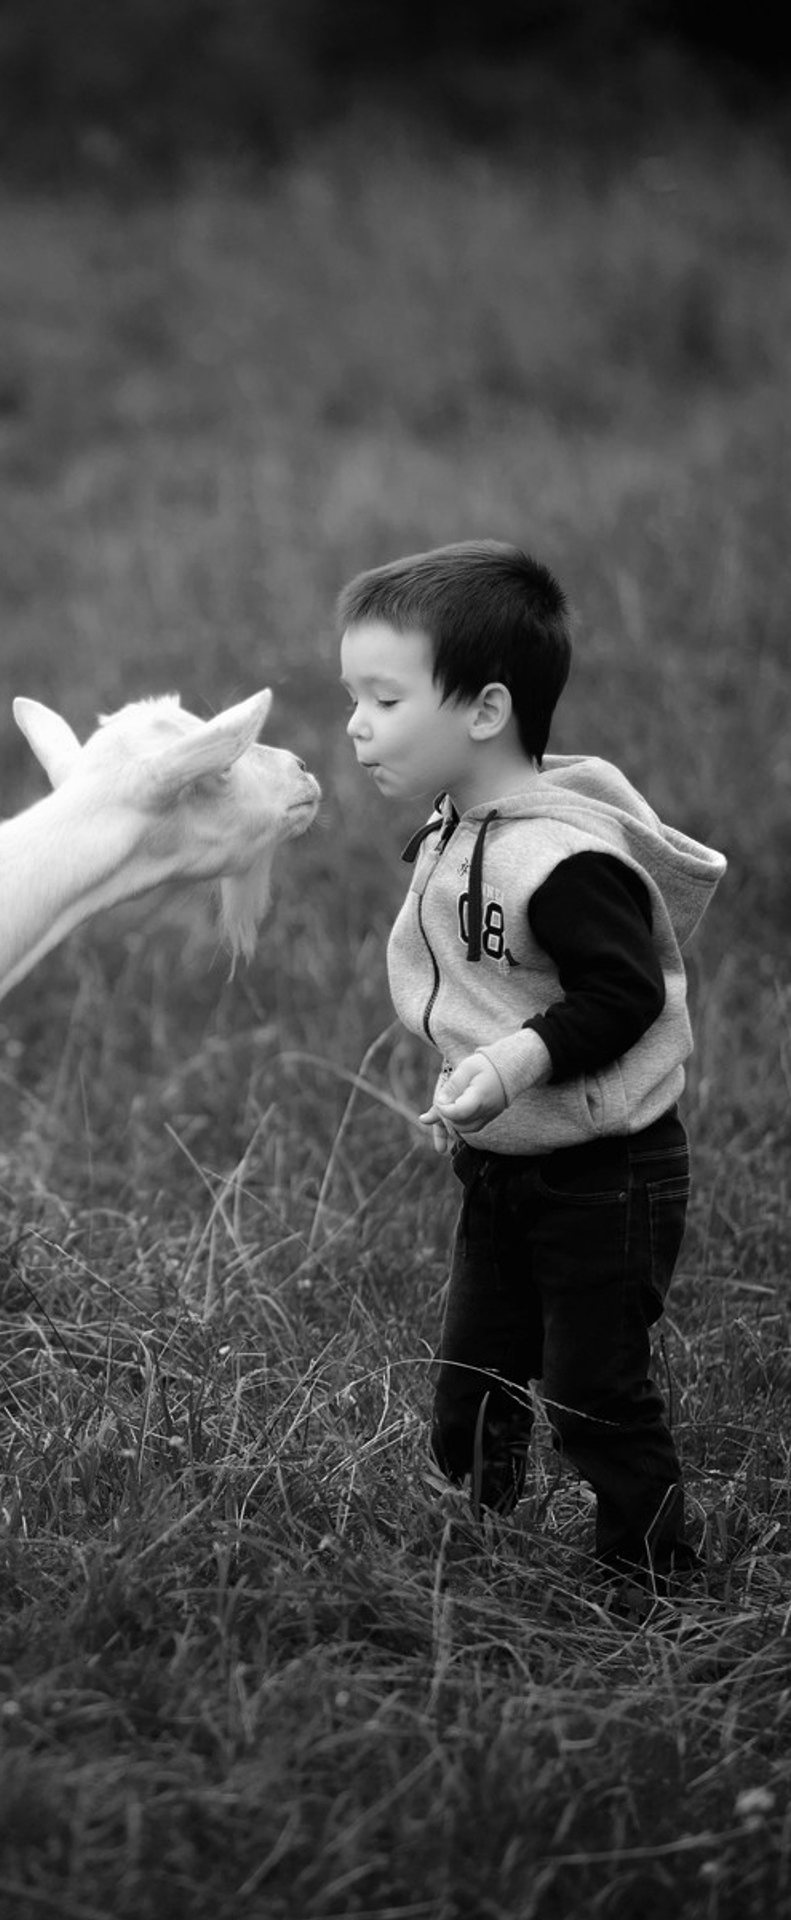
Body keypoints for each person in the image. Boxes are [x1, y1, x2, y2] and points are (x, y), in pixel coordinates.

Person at [336, 539, 725, 1598]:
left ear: (483, 711)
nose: (357, 725)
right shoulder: (459, 825)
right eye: (352, 697)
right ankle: (482, 1528)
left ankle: (652, 1575)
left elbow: (624, 994)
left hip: (609, 1173)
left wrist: (514, 1061)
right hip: (504, 1162)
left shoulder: (560, 859)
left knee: (595, 1387)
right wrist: (480, 1080)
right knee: (472, 1371)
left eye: (382, 698)